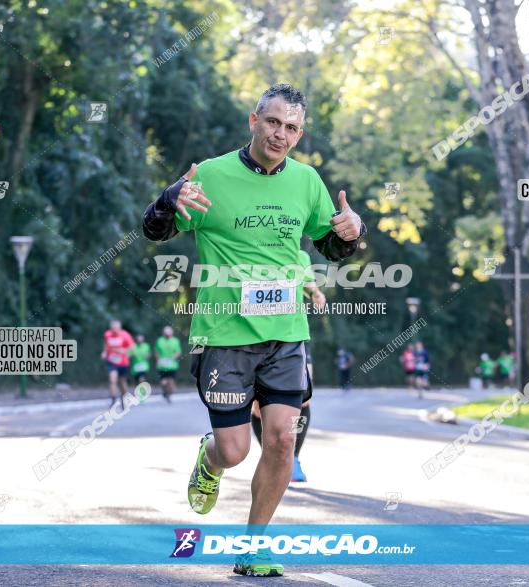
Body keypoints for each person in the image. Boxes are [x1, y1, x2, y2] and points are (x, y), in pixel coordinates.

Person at [141, 83, 365, 577]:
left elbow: (330, 245)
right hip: (224, 336)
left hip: (286, 331)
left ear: (300, 134)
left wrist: (351, 232)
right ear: (253, 121)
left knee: (284, 438)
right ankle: (210, 456)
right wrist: (168, 200)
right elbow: (154, 231)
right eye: (273, 122)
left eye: (291, 127)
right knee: (235, 451)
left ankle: (254, 544)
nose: (280, 134)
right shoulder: (213, 175)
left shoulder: (307, 182)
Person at [251, 248, 326, 483]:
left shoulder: (301, 257)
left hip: (295, 337)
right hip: (257, 336)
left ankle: (292, 458)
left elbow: (310, 286)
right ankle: (270, 454)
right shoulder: (252, 252)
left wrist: (316, 294)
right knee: (256, 406)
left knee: (303, 399)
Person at [101, 319, 134, 408]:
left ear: (120, 328)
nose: (114, 330)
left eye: (116, 328)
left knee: (122, 382)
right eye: (113, 328)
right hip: (112, 361)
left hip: (123, 362)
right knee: (112, 380)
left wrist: (123, 350)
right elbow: (106, 344)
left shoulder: (125, 335)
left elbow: (132, 348)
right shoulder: (107, 334)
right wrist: (104, 352)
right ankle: (113, 400)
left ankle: (124, 398)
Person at [155, 326, 181, 402]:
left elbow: (178, 352)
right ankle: (164, 391)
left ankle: (169, 394)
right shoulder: (159, 340)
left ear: (172, 333)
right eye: (166, 333)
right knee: (163, 382)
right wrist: (158, 359)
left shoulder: (175, 341)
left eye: (169, 333)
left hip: (172, 366)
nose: (168, 335)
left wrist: (173, 357)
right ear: (164, 333)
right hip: (162, 366)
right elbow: (156, 352)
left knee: (171, 382)